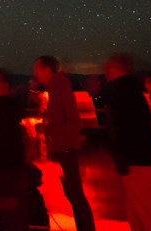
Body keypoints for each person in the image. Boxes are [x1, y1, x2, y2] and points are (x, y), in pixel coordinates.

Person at [103, 53, 151, 231]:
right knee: (143, 215)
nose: (106, 71)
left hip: (140, 163)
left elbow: (123, 128)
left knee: (150, 217)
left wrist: (118, 153)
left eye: (110, 67)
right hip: (139, 161)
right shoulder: (129, 91)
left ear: (119, 69)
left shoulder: (123, 93)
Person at [33, 55, 97, 231]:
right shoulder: (54, 88)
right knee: (72, 194)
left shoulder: (60, 87)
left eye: (37, 68)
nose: (35, 73)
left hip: (67, 149)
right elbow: (59, 117)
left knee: (76, 195)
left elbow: (72, 121)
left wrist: (48, 129)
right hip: (62, 149)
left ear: (47, 69)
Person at [0, 68, 30, 230]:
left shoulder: (0, 108)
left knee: (8, 215)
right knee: (16, 214)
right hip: (14, 165)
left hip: (5, 168)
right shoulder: (12, 106)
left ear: (4, 84)